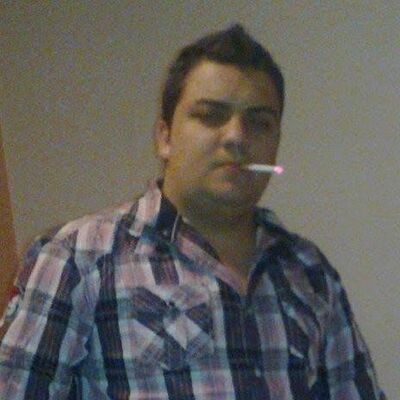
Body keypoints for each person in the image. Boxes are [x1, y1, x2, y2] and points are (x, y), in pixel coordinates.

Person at [0, 24, 385, 399]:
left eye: (259, 122)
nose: (236, 137)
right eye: (211, 115)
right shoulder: (78, 258)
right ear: (165, 137)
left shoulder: (310, 273)